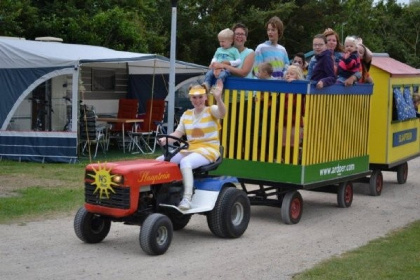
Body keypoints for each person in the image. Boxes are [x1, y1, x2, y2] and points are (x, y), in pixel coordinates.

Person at [156, 80, 226, 210]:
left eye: (200, 97)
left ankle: (187, 198)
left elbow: (222, 113)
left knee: (186, 162)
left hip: (208, 149)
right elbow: (178, 133)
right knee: (160, 161)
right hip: (190, 149)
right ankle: (158, 194)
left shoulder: (211, 110)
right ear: (190, 98)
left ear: (205, 97)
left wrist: (218, 98)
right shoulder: (186, 114)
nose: (197, 100)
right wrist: (165, 140)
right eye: (194, 97)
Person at [202, 28, 241, 93]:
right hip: (216, 67)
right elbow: (215, 57)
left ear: (231, 41)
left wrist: (229, 62)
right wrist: (212, 63)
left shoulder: (234, 50)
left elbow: (239, 61)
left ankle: (218, 87)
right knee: (209, 73)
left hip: (226, 69)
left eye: (223, 41)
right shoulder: (219, 49)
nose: (221, 43)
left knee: (222, 75)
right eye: (220, 41)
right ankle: (206, 84)